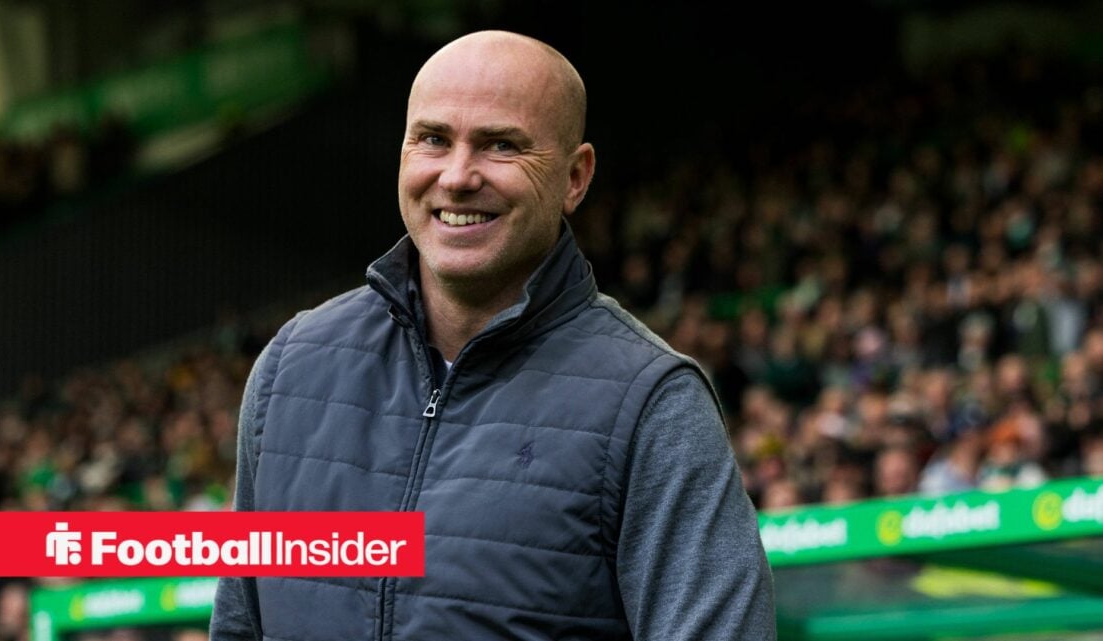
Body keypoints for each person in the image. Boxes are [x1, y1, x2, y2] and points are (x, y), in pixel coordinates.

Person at [209, 30, 775, 641]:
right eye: (432, 139)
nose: (456, 177)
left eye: (501, 145)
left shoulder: (653, 404)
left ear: (575, 177)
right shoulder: (290, 368)